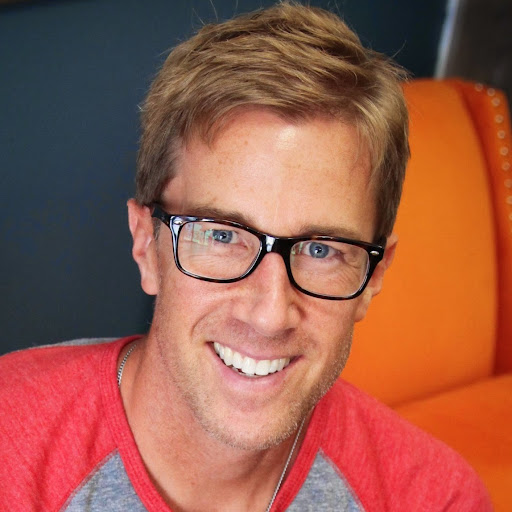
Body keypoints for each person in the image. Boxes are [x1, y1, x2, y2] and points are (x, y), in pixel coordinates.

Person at [0, 2, 492, 511]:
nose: (269, 314)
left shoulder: (437, 499)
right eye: (222, 236)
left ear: (374, 276)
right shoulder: (9, 453)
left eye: (321, 249)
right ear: (147, 245)